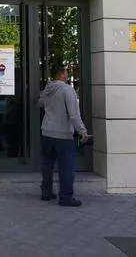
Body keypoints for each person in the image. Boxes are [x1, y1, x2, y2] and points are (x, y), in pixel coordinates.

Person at [39, 65, 88, 207]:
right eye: (66, 72)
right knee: (66, 166)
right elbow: (74, 114)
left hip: (47, 131)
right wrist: (82, 131)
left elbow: (40, 103)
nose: (67, 75)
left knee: (47, 164)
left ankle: (46, 192)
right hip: (63, 134)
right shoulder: (67, 90)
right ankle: (66, 196)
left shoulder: (47, 89)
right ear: (61, 74)